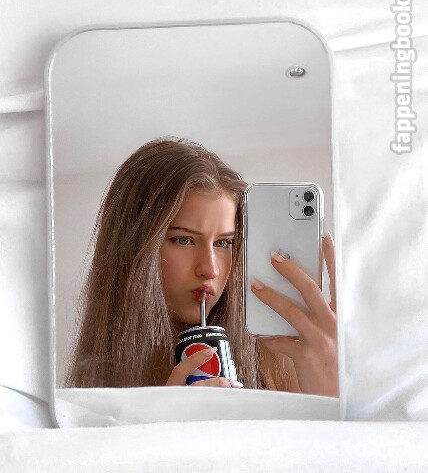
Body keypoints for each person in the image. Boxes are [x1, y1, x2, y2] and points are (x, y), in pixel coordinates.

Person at [66, 137, 338, 396]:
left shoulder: (284, 359)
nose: (210, 269)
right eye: (183, 240)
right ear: (133, 247)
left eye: (223, 243)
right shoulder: (93, 393)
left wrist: (333, 387)